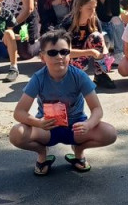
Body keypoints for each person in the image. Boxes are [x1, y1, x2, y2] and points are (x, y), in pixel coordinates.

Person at [9, 29, 118, 175]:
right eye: (52, 53)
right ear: (42, 57)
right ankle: (42, 153)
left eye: (64, 52)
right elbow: (19, 112)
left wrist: (88, 124)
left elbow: (97, 109)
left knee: (110, 133)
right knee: (16, 134)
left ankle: (79, 150)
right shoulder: (38, 78)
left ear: (69, 54)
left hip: (75, 127)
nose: (59, 57)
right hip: (47, 127)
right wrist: (38, 123)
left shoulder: (79, 76)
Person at [61, 0, 116, 90]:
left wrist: (104, 54)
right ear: (80, 7)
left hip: (83, 57)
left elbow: (101, 41)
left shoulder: (94, 20)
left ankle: (100, 75)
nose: (93, 11)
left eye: (94, 7)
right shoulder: (68, 23)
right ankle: (71, 77)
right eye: (89, 8)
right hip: (67, 60)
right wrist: (91, 52)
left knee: (96, 37)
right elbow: (66, 52)